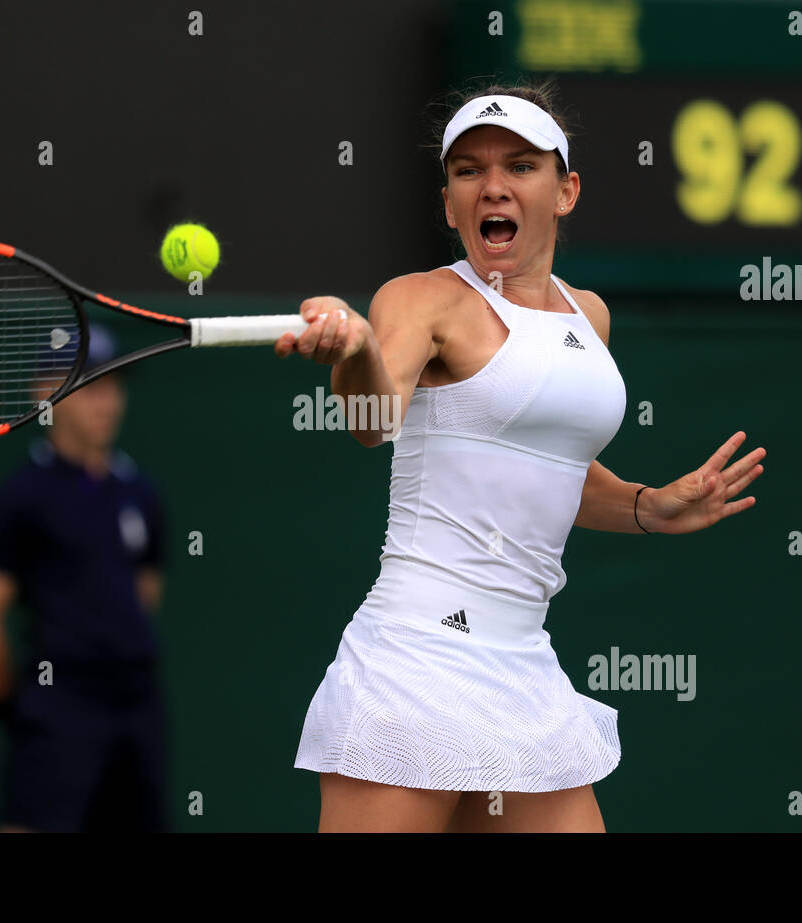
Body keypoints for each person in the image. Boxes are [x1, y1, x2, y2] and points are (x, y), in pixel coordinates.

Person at [277, 82, 766, 833]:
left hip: (523, 666)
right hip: (415, 659)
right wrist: (357, 347)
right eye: (468, 170)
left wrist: (645, 505)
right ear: (449, 203)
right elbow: (373, 422)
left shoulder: (589, 315)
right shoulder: (420, 299)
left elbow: (547, 467)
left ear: (565, 191)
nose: (492, 185)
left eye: (520, 166)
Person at [0, 323, 169, 832]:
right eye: (92, 385)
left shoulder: (140, 493)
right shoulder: (21, 499)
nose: (108, 402)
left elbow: (145, 595)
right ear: (46, 394)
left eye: (115, 385)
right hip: (59, 708)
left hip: (137, 707)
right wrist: (23, 711)